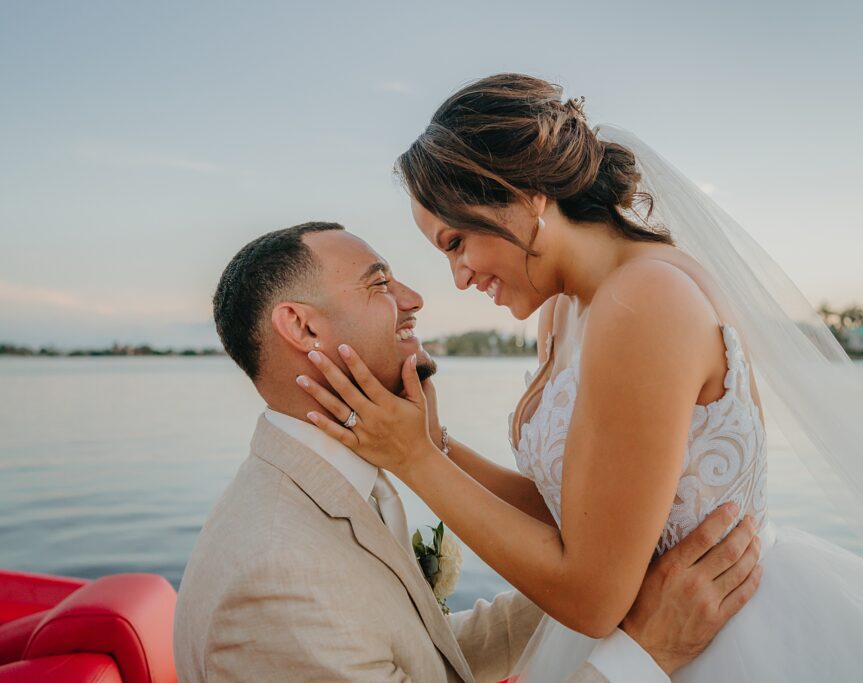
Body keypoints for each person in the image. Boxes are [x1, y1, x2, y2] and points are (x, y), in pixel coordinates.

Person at [300, 74, 863, 681]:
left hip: (730, 642)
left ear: (522, 196)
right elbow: (576, 515)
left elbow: (590, 595)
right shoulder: (573, 310)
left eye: (457, 241)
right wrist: (440, 445)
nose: (457, 276)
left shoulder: (643, 303)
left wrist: (416, 462)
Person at [172, 221, 762, 683]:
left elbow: (423, 654)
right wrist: (650, 650)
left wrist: (621, 570)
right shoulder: (275, 579)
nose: (414, 298)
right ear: (302, 329)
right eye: (379, 284)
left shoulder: (321, 482)